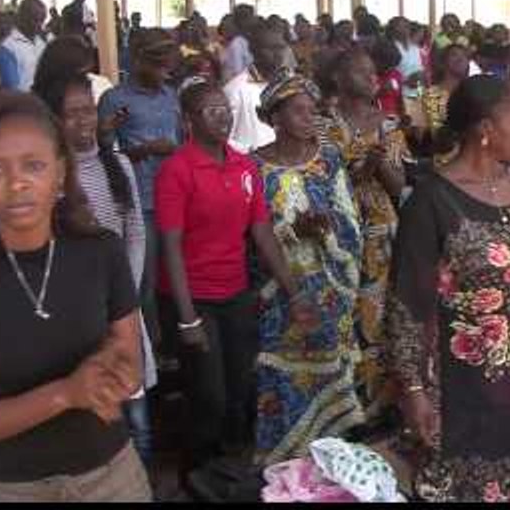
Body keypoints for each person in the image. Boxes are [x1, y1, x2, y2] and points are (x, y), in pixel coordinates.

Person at [0, 90, 150, 502]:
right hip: (12, 488)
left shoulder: (102, 253)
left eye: (34, 165)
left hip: (112, 478)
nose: (17, 183)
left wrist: (110, 374)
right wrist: (66, 393)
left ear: (61, 173)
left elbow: (131, 367)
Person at [386, 74, 510, 502]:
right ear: (485, 129)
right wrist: (414, 391)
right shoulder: (430, 202)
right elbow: (406, 305)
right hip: (454, 385)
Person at [155, 78, 316, 476]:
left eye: (225, 109)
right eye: (211, 111)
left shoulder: (244, 166)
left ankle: (227, 469)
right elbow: (170, 247)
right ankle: (196, 472)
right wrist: (187, 319)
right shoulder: (176, 170)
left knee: (240, 389)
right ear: (189, 120)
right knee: (208, 393)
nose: (223, 117)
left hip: (235, 291)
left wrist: (295, 293)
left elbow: (261, 232)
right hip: (193, 297)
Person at [33, 72, 157, 466]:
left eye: (88, 111)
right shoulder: (50, 176)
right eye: (71, 114)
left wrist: (124, 291)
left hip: (122, 303)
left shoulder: (117, 164)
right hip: (81, 309)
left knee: (137, 412)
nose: (83, 121)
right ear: (53, 120)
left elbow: (135, 230)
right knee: (98, 408)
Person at [252, 71, 365, 463]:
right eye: (298, 111)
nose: (308, 119)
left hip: (331, 288)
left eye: (312, 111)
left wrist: (328, 230)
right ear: (275, 118)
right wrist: (291, 231)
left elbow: (350, 218)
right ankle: (287, 464)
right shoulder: (254, 167)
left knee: (332, 368)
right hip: (280, 293)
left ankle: (331, 461)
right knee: (283, 374)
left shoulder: (328, 159)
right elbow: (251, 234)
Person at [325, 49, 407, 421]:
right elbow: (323, 178)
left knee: (380, 312)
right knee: (345, 311)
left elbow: (398, 185)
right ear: (339, 78)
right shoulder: (322, 124)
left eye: (373, 72)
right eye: (360, 71)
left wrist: (378, 166)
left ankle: (380, 403)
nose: (371, 78)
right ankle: (345, 404)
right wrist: (361, 169)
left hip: (379, 230)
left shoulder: (388, 123)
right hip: (337, 228)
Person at [97, 28, 181, 358]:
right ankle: (148, 351)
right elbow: (104, 154)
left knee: (173, 275)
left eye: (168, 65)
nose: (165, 72)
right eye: (158, 65)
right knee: (144, 281)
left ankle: (175, 343)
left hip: (174, 196)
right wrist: (146, 150)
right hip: (140, 201)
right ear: (139, 60)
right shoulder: (114, 99)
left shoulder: (170, 96)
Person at [223, 23, 284, 153]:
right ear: (253, 50)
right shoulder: (235, 90)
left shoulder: (290, 84)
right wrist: (251, 152)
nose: (278, 54)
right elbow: (224, 137)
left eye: (280, 48)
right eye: (271, 48)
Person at [33, 35, 113, 104]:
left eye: (90, 72)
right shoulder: (35, 107)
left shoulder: (100, 87)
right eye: (81, 77)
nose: (88, 79)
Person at [0, 0, 48, 91]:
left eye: (42, 20)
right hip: (25, 99)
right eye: (35, 20)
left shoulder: (41, 43)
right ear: (21, 18)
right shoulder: (7, 48)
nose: (39, 25)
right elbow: (13, 89)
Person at [371, 37, 403, 118]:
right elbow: (363, 97)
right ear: (376, 60)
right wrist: (380, 89)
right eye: (387, 66)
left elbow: (399, 99)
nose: (389, 69)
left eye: (392, 66)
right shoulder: (368, 75)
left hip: (393, 117)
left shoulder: (396, 75)